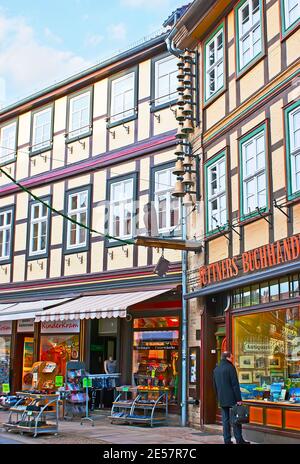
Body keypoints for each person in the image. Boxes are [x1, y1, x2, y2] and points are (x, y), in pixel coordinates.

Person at [213, 351, 250, 445]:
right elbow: (235, 385)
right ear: (228, 357)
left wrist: (218, 397)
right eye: (232, 358)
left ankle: (227, 440)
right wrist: (239, 399)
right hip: (232, 398)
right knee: (236, 419)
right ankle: (239, 440)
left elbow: (214, 386)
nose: (232, 359)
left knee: (225, 420)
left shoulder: (216, 369)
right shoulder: (230, 367)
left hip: (222, 398)